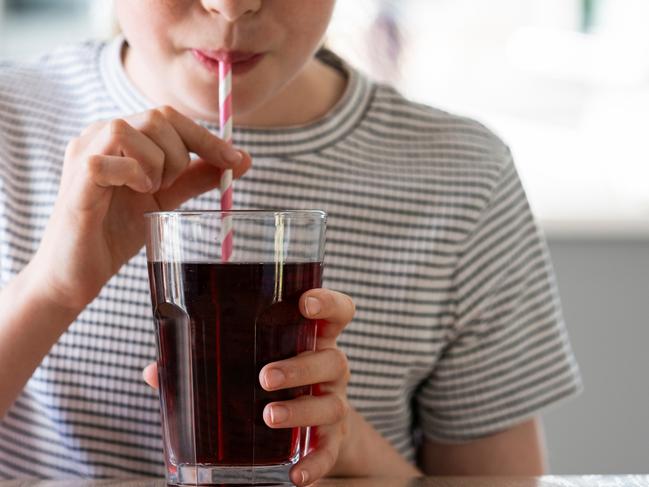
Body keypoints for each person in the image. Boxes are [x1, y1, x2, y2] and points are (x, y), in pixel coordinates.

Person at [0, 0, 582, 484]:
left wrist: (352, 452)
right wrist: (51, 288)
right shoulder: (12, 121)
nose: (232, 7)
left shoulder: (464, 176)